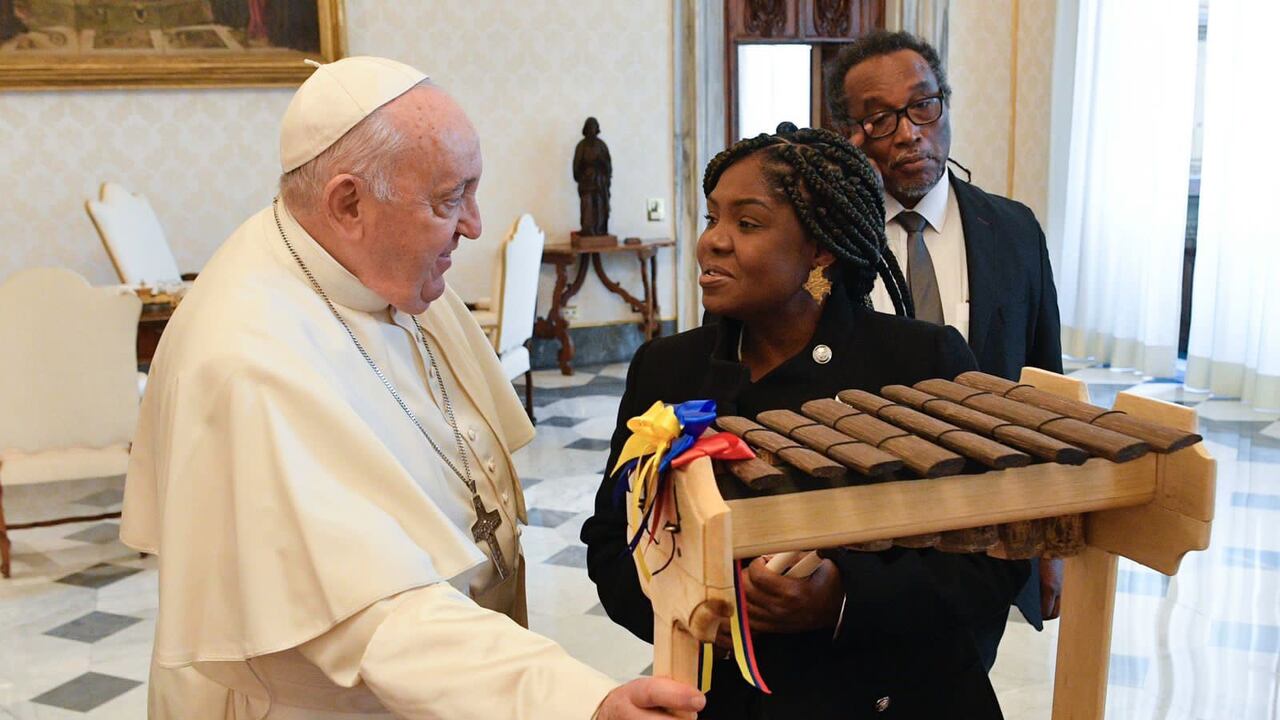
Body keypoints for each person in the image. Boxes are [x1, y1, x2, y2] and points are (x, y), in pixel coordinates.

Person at [120, 56, 703, 720]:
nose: (476, 225)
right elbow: (374, 614)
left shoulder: (383, 272)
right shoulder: (246, 361)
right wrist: (579, 703)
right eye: (449, 198)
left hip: (454, 668)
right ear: (348, 204)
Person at [581, 125, 1028, 719]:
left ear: (820, 250)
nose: (711, 242)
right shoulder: (667, 369)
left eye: (747, 223)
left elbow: (991, 563)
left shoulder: (921, 362)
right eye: (712, 218)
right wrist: (702, 608)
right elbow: (613, 543)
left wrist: (844, 599)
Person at [825, 31, 1065, 657]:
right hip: (857, 530)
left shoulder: (1012, 229)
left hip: (981, 532)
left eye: (924, 105)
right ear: (851, 133)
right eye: (880, 119)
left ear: (944, 105)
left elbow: (1042, 382)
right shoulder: (822, 241)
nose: (909, 133)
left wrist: (1048, 542)